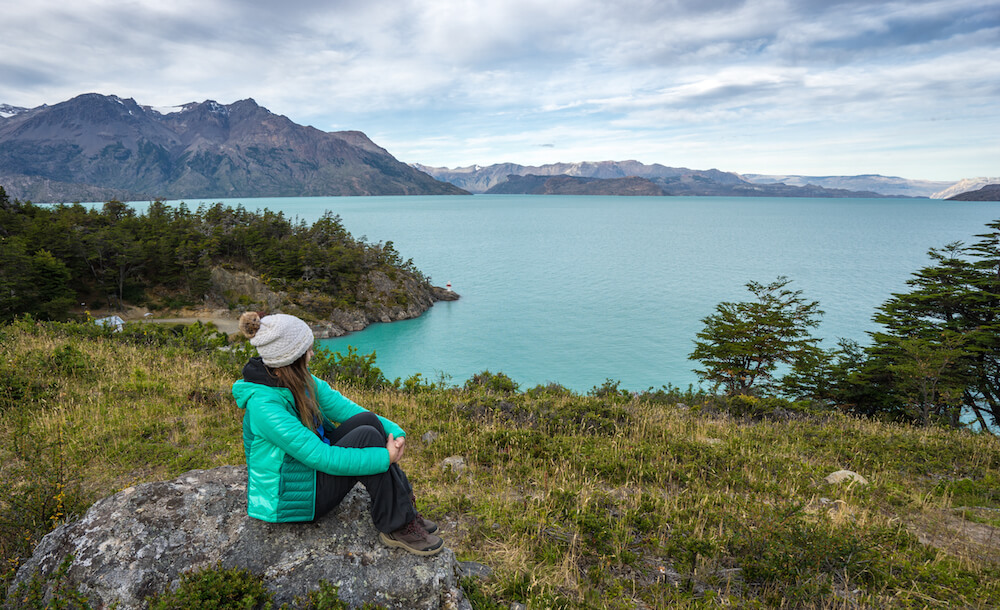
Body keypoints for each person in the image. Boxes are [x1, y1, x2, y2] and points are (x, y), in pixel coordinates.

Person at [231, 311, 442, 556]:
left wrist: (395, 431)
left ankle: (404, 513)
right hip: (293, 498)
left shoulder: (298, 380)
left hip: (307, 474)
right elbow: (322, 457)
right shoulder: (264, 407)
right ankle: (396, 524)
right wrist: (386, 457)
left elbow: (347, 410)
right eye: (307, 350)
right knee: (369, 439)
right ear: (290, 359)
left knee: (368, 422)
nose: (312, 354)